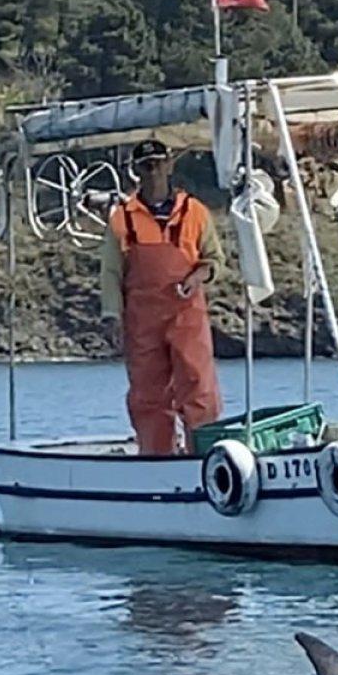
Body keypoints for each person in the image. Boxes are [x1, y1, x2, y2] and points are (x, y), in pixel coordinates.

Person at [100, 140, 225, 455]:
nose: (153, 171)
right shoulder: (122, 218)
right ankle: (155, 457)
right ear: (137, 171)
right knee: (148, 394)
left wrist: (197, 276)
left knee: (198, 386)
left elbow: (215, 260)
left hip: (187, 314)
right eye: (146, 165)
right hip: (142, 320)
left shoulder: (195, 212)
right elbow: (111, 273)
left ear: (170, 166)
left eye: (158, 163)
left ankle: (203, 454)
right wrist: (112, 315)